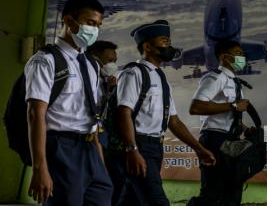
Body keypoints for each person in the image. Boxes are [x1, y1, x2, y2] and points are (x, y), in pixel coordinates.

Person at [25, 0, 113, 205]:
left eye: (98, 25)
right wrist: (40, 168)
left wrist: (98, 159)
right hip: (61, 147)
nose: (94, 30)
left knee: (102, 198)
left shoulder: (92, 64)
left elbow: (92, 115)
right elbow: (35, 114)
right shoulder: (45, 61)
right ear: (69, 21)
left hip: (90, 147)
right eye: (90, 23)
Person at [116, 20, 216, 205]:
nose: (170, 46)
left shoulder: (161, 79)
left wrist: (199, 149)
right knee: (157, 201)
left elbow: (174, 122)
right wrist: (132, 149)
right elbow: (124, 112)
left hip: (155, 148)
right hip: (139, 146)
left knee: (130, 201)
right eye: (164, 41)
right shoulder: (134, 73)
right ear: (147, 46)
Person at [188, 40, 251, 206]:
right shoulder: (215, 77)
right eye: (238, 53)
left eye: (242, 54)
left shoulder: (236, 82)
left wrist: (245, 129)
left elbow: (231, 114)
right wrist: (233, 106)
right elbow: (196, 107)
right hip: (215, 139)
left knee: (233, 191)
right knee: (212, 193)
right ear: (224, 56)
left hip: (231, 140)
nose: (242, 57)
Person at [87, 40, 123, 205]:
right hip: (86, 140)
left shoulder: (103, 81)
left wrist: (110, 90)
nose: (113, 65)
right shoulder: (87, 78)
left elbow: (104, 112)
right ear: (95, 57)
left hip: (102, 139)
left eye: (115, 61)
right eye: (110, 61)